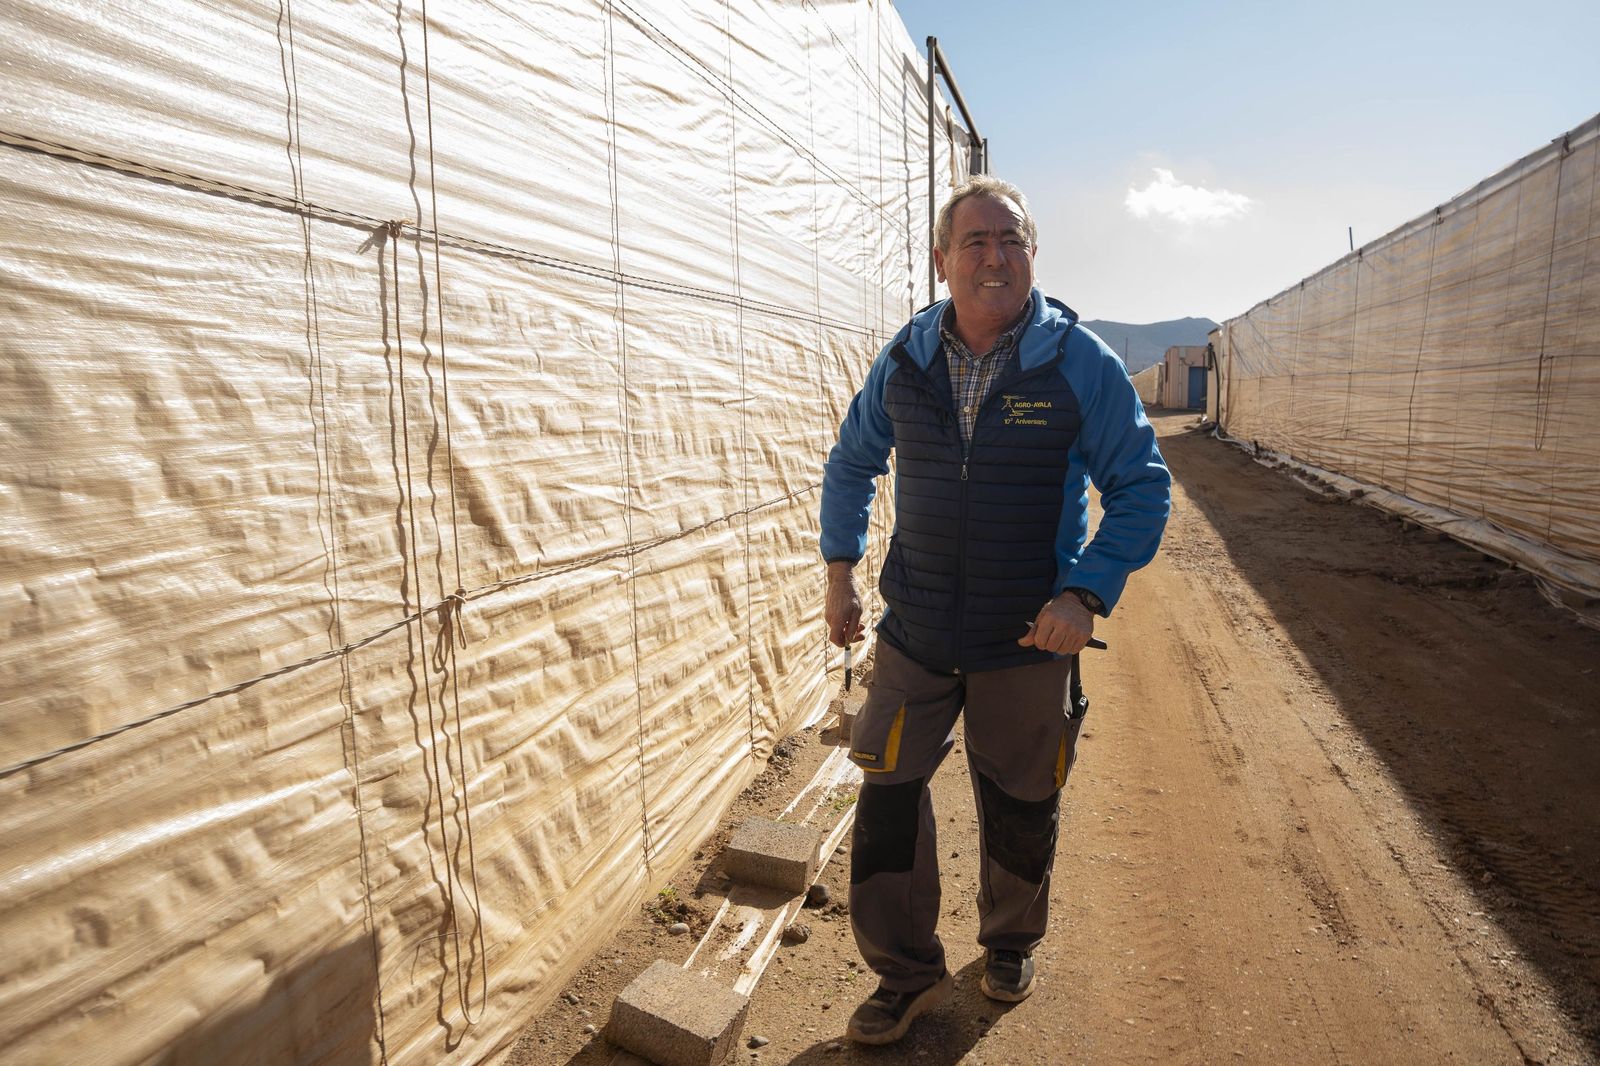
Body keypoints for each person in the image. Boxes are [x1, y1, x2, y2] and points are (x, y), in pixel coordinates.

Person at [819, 175, 1171, 1045]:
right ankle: (906, 976)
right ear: (941, 260)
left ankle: (1010, 941)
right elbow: (850, 461)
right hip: (917, 632)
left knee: (1020, 799)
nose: (993, 256)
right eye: (973, 241)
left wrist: (1086, 593)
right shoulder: (906, 359)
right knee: (888, 798)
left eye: (1009, 238)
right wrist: (840, 570)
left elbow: (1141, 487)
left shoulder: (1076, 361)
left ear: (1032, 254)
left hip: (1027, 639)